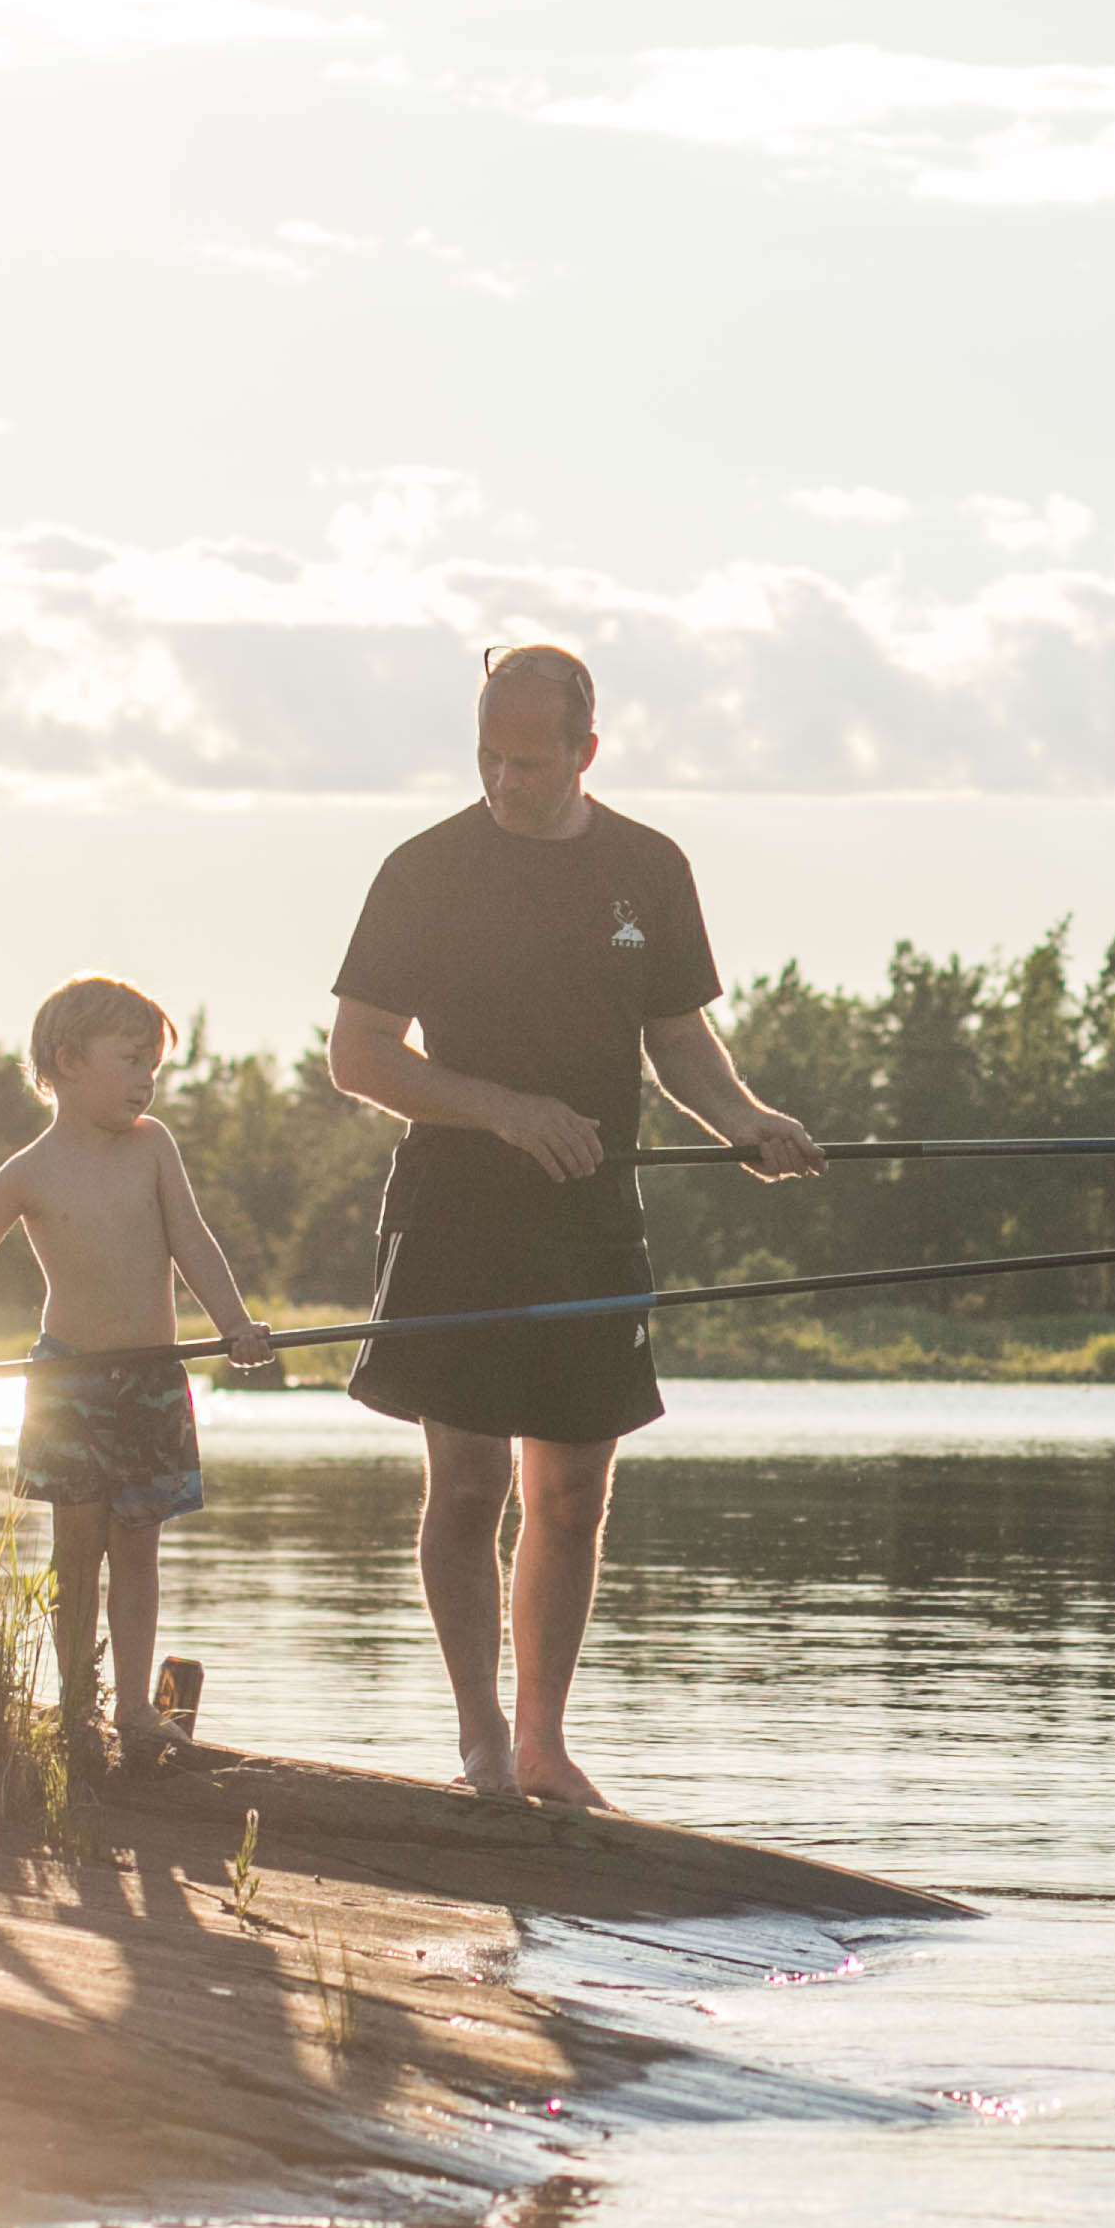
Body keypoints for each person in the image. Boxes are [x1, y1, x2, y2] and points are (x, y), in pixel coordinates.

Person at [326, 641, 823, 1811]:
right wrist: (502, 1111)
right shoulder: (425, 869)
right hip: (455, 1214)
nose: (504, 782)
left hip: (592, 1219)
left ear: (587, 753)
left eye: (530, 763)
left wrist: (746, 1122)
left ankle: (545, 1747)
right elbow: (359, 1056)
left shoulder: (648, 867)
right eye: (488, 758)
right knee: (465, 1492)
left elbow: (679, 1039)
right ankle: (482, 1741)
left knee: (573, 1499)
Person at [0, 972, 275, 1777]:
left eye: (153, 1067)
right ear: (65, 1061)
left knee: (138, 1546)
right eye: (130, 1060)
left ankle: (133, 1707)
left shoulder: (154, 1148)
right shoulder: (27, 1172)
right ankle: (75, 1707)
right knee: (77, 1548)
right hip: (67, 1386)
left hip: (154, 1378)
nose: (145, 1080)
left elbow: (193, 1241)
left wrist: (234, 1324)